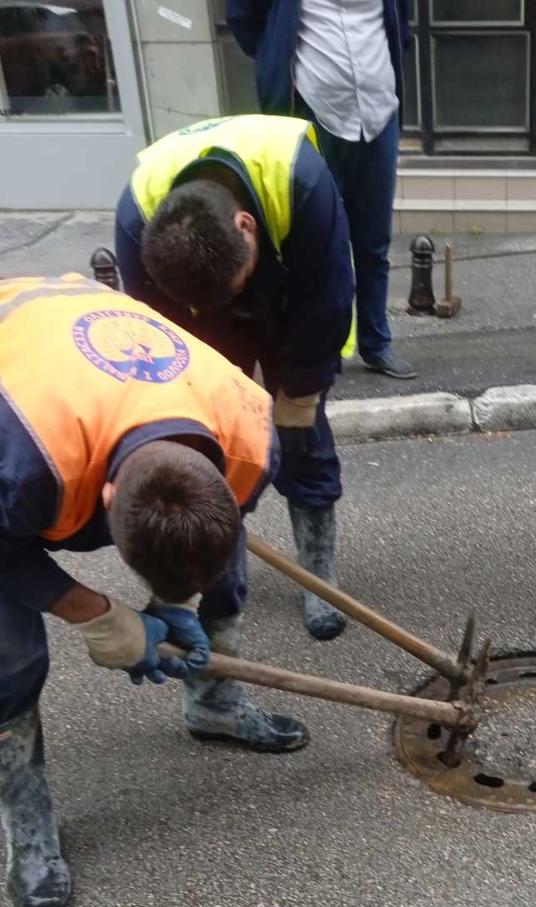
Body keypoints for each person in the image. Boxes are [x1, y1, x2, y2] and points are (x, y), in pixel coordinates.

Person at [0, 274, 310, 907]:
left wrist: (173, 607)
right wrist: (100, 614)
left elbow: (217, 538)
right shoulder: (31, 465)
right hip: (22, 365)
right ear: (104, 502)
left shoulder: (249, 434)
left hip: (96, 364)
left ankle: (215, 704)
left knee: (227, 569)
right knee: (11, 652)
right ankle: (25, 812)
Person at [115, 113, 354, 640]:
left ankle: (319, 579)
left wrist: (301, 388)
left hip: (287, 298)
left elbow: (328, 298)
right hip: (196, 324)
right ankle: (219, 587)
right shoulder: (138, 217)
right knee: (204, 449)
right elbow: (154, 334)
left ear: (245, 226)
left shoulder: (301, 181)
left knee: (303, 437)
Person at [226, 0, 415, 381]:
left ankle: (376, 343)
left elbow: (401, 20)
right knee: (318, 242)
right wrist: (273, 58)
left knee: (374, 241)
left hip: (378, 112)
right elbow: (244, 18)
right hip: (313, 112)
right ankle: (324, 348)